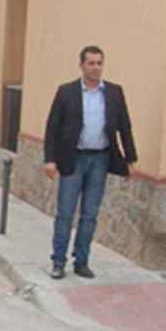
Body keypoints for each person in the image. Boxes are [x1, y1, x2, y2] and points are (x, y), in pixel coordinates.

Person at [44, 45, 137, 280]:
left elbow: (125, 126)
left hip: (100, 159)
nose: (96, 68)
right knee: (65, 213)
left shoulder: (114, 92)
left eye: (99, 63)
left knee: (90, 214)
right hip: (73, 158)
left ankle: (81, 261)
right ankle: (58, 261)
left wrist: (130, 158)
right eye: (91, 63)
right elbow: (52, 127)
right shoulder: (67, 92)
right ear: (82, 65)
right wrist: (50, 159)